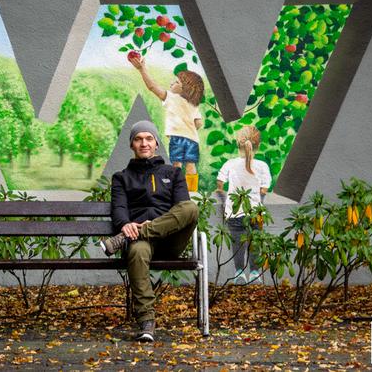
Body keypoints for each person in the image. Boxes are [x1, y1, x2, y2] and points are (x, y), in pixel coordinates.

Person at [100, 120, 199, 342]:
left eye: (148, 138)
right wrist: (125, 225)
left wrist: (142, 229)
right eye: (138, 139)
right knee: (136, 251)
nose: (144, 143)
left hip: (170, 240)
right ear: (132, 145)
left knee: (191, 207)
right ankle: (146, 321)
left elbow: (182, 209)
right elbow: (119, 208)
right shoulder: (121, 177)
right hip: (139, 241)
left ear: (156, 144)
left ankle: (124, 239)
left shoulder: (173, 174)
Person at [128, 56, 204, 192]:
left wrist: (142, 69)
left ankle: (178, 189)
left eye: (176, 82)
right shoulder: (193, 104)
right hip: (193, 139)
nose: (171, 83)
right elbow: (198, 123)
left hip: (177, 137)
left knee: (176, 164)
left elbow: (152, 86)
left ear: (185, 87)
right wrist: (189, 128)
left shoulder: (172, 98)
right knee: (191, 165)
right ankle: (192, 191)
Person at [215, 126, 271, 285]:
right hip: (256, 213)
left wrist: (221, 191)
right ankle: (254, 272)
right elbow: (264, 189)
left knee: (237, 243)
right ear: (258, 145)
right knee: (255, 243)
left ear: (237, 144)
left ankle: (239, 272)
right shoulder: (262, 166)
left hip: (234, 213)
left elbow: (220, 182)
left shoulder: (230, 164)